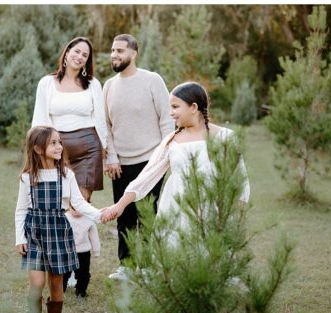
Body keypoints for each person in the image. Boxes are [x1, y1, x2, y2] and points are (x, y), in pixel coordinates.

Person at [101, 82, 250, 248]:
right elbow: (146, 177)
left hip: (213, 210)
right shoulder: (171, 140)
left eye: (175, 107)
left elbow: (239, 181)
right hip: (176, 212)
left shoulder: (226, 137)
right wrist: (120, 205)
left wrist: (236, 218)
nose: (171, 113)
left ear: (193, 107)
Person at [14, 126, 104, 313]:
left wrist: (100, 215)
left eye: (60, 142)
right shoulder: (28, 178)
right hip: (35, 232)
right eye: (53, 142)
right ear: (37, 148)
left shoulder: (66, 175)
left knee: (56, 282)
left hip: (58, 232)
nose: (59, 146)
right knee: (36, 283)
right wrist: (20, 238)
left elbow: (79, 203)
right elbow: (21, 209)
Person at [101, 34, 176, 281]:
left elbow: (167, 119)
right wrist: (111, 157)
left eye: (120, 51)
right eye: (113, 50)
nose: (115, 55)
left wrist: (166, 156)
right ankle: (126, 266)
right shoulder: (109, 86)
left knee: (147, 215)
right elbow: (106, 126)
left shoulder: (152, 80)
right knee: (124, 216)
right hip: (120, 163)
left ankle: (147, 266)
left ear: (134, 53)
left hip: (151, 161)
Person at [31, 37, 110, 207]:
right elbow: (40, 118)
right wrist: (39, 147)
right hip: (56, 148)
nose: (80, 56)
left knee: (80, 204)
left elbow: (100, 118)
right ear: (67, 53)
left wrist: (104, 147)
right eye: (76, 51)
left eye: (85, 55)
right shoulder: (46, 83)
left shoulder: (92, 84)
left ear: (86, 61)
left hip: (88, 148)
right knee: (58, 202)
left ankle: (80, 233)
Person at [61, 206, 100, 298]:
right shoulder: (64, 218)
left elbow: (94, 237)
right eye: (74, 208)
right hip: (67, 252)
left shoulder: (89, 220)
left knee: (83, 274)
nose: (77, 210)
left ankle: (81, 291)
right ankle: (60, 290)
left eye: (79, 207)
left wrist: (96, 251)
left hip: (83, 253)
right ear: (69, 206)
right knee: (64, 273)